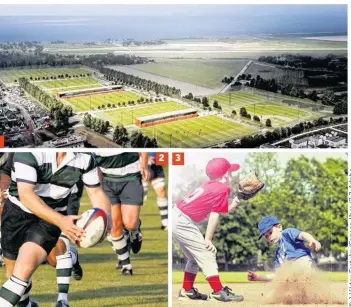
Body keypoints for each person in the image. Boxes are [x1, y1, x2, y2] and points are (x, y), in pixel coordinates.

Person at [0, 152, 111, 307]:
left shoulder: (86, 158)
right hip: (16, 214)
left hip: (52, 216)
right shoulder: (28, 153)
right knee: (12, 274)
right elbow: (26, 195)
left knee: (24, 270)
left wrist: (105, 218)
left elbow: (96, 192)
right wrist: (61, 221)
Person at [173, 157, 262, 302]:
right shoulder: (223, 188)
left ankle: (187, 291)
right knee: (207, 253)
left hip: (177, 217)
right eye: (230, 172)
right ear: (226, 175)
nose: (232, 175)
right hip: (183, 222)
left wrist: (238, 199)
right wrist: (208, 239)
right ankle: (218, 291)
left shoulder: (210, 185)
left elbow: (221, 210)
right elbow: (214, 215)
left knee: (194, 258)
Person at [95, 152, 150, 276]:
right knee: (114, 225)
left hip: (131, 177)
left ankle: (135, 229)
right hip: (107, 181)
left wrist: (144, 165)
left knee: (130, 224)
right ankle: (126, 265)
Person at [247, 216, 321, 282]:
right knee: (282, 278)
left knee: (291, 270)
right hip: (294, 273)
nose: (269, 237)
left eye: (270, 232)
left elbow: (302, 235)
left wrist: (311, 240)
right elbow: (277, 275)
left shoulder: (287, 233)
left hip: (304, 264)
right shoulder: (279, 254)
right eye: (266, 236)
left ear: (279, 227)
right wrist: (258, 278)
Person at [142, 152, 168, 230]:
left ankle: (165, 222)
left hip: (156, 163)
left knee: (161, 191)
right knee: (139, 197)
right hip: (140, 164)